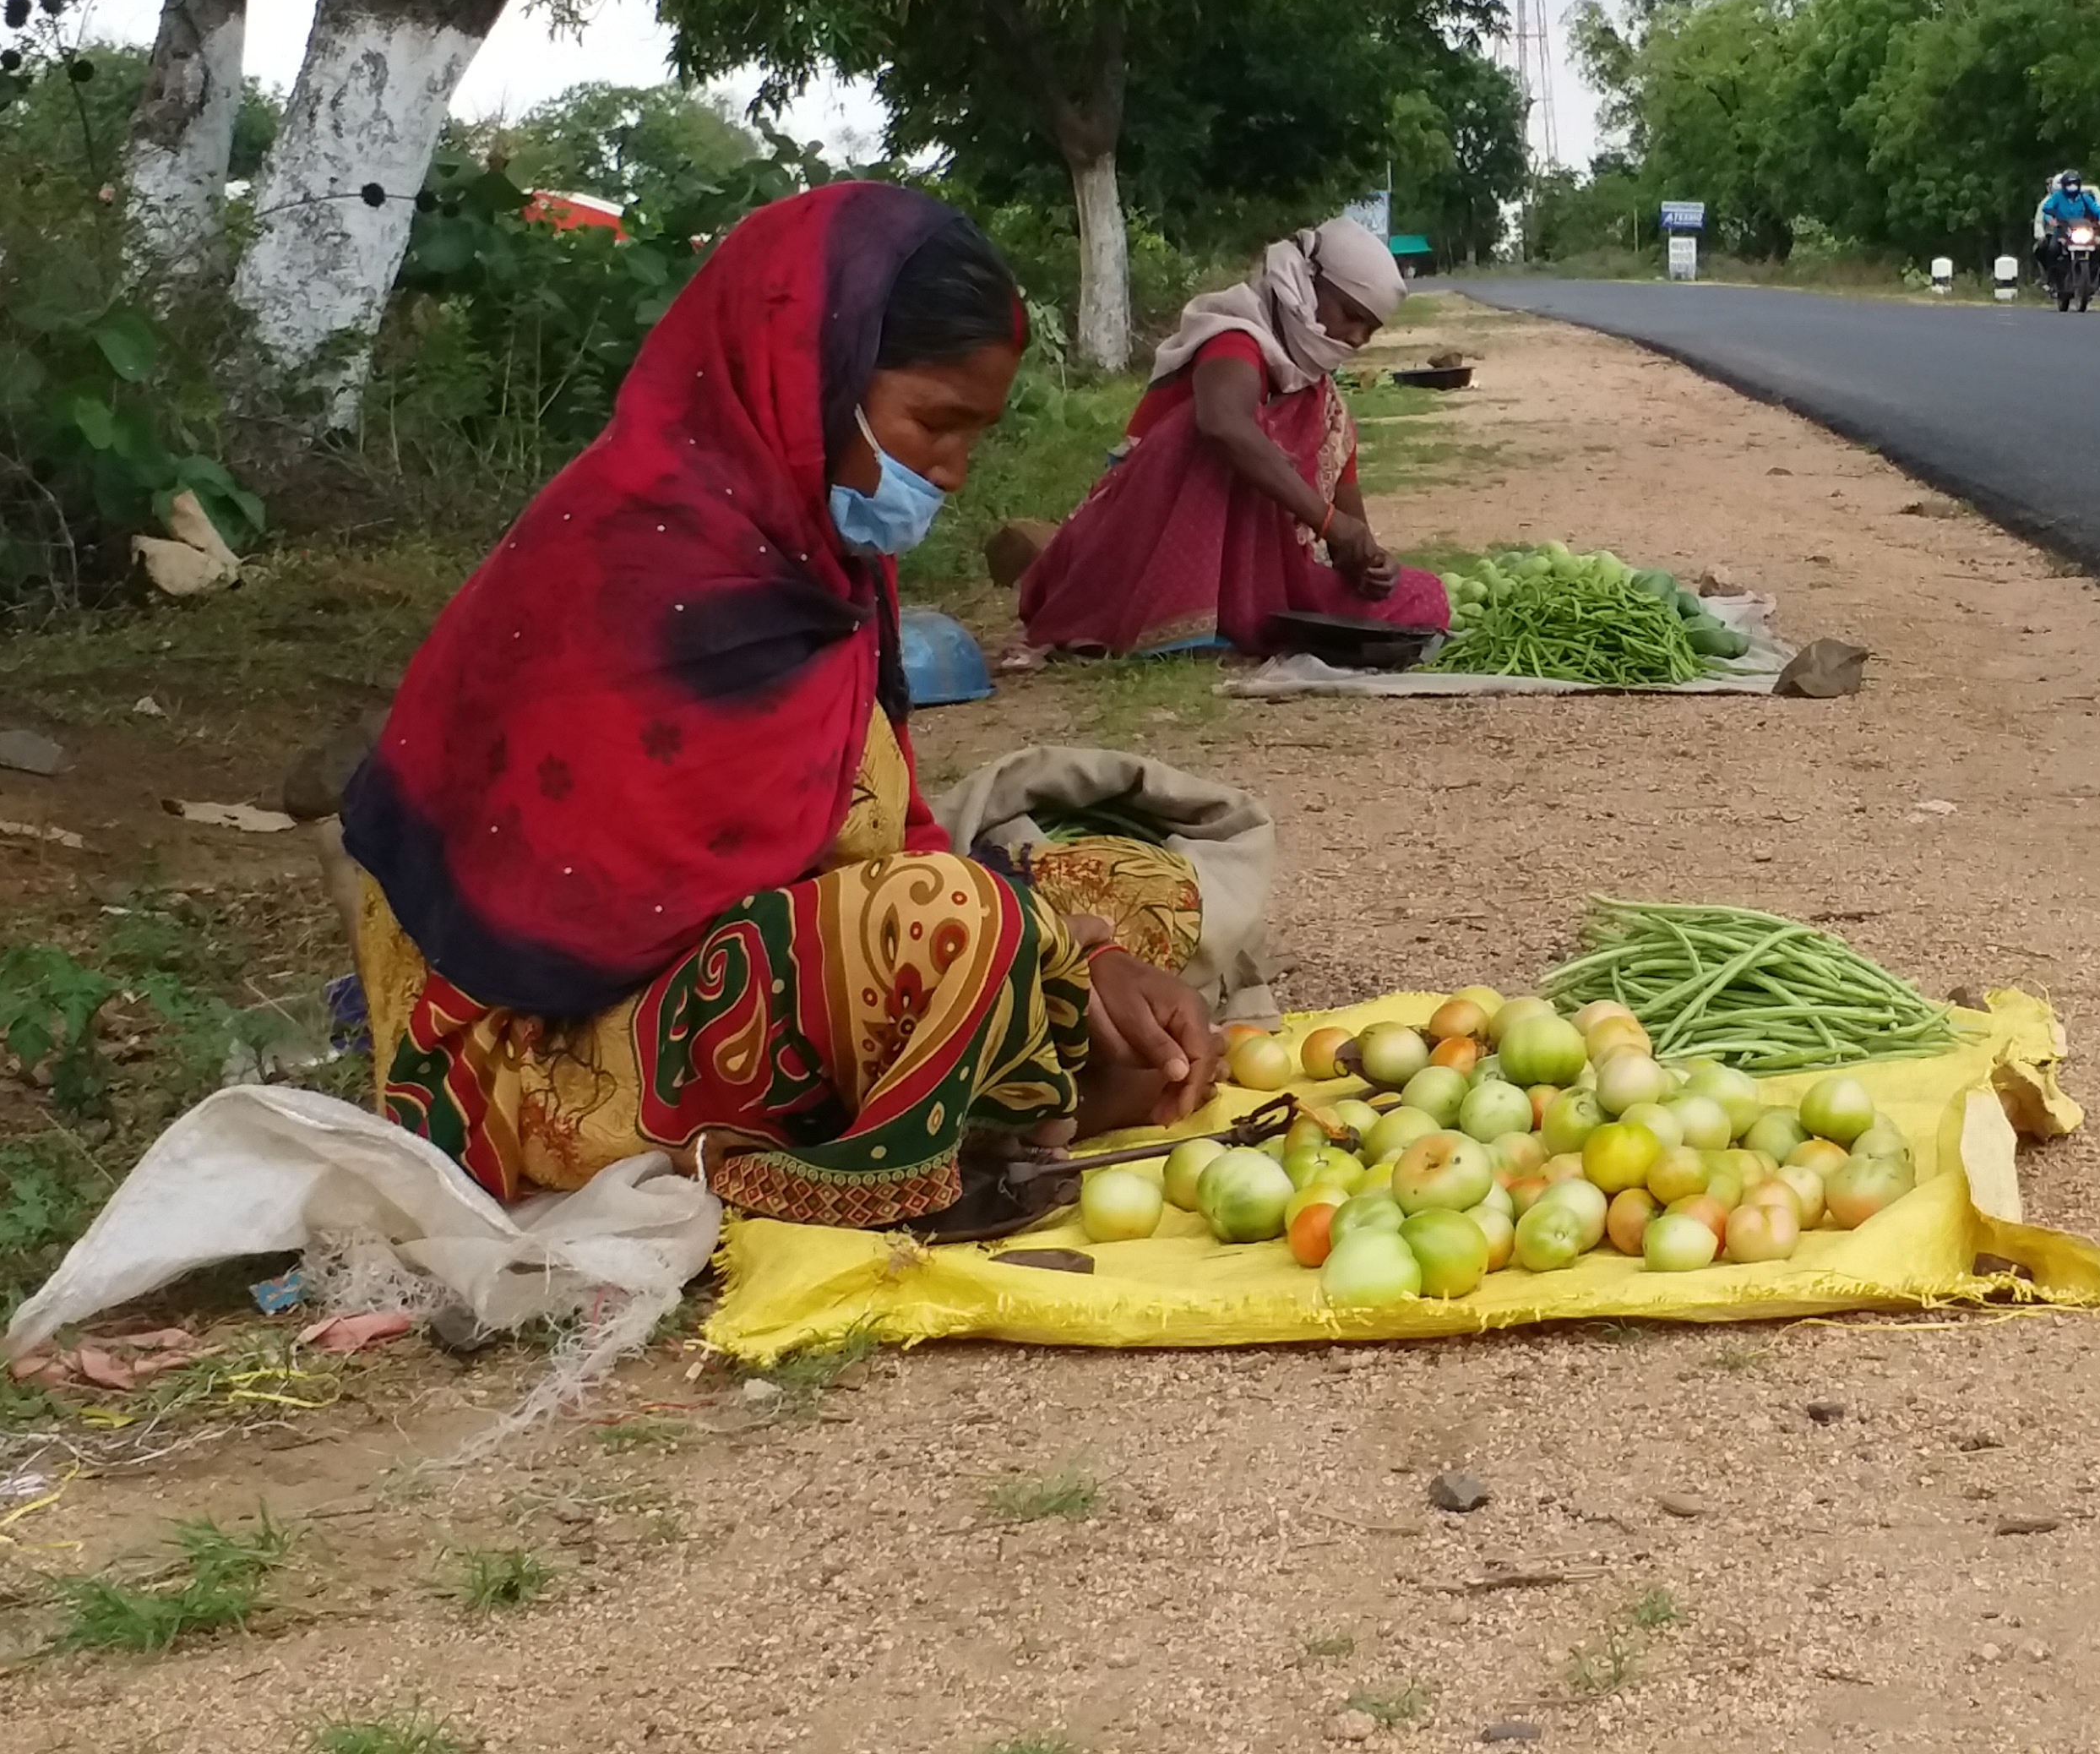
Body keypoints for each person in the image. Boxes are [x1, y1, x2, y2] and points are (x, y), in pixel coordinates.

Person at [342, 182, 1223, 1233]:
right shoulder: (640, 560)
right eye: (935, 422)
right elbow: (647, 909)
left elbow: (887, 818)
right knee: (961, 928)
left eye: (973, 434)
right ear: (817, 374)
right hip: (552, 1042)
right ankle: (949, 1125)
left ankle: (1020, 1060)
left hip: (755, 966)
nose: (951, 469)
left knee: (1134, 883)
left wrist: (1088, 954)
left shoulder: (825, 552)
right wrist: (1037, 962)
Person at [1015, 219, 1453, 657]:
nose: (1356, 338)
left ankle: (1231, 615)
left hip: (1257, 578)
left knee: (1425, 597)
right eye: (1351, 316)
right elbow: (1222, 424)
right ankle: (1170, 618)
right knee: (1218, 432)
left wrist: (1369, 566)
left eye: (1370, 331)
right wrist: (1326, 521)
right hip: (1136, 550)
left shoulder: (1322, 403)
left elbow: (1349, 538)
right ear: (1307, 285)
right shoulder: (1233, 337)